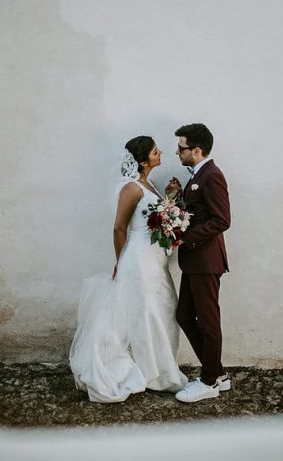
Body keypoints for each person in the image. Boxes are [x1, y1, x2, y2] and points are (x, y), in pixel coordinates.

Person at [69, 136, 188, 402]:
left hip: (155, 259)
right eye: (156, 152)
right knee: (147, 313)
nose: (161, 154)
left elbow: (154, 217)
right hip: (138, 258)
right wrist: (120, 261)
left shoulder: (150, 184)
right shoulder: (131, 188)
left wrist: (169, 198)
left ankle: (160, 367)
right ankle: (152, 373)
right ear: (143, 161)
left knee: (164, 309)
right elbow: (119, 227)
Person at [167, 123, 232, 403]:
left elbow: (222, 220)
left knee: (208, 320)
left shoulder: (212, 175)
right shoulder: (197, 175)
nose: (177, 152)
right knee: (184, 316)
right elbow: (198, 211)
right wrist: (177, 196)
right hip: (194, 262)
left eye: (181, 148)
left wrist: (186, 238)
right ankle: (217, 373)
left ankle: (208, 382)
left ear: (197, 150)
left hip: (206, 260)